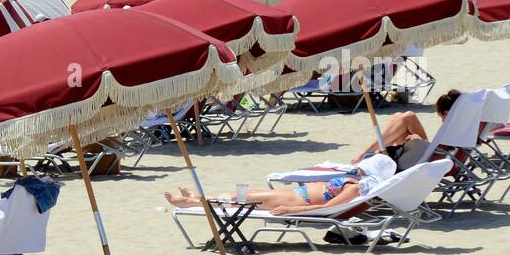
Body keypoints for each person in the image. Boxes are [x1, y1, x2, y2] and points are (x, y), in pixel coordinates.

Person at [165, 156, 395, 216]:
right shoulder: (352, 182)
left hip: (294, 201)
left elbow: (326, 208)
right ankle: (197, 199)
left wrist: (291, 211)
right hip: (293, 194)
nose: (360, 169)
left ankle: (191, 202)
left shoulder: (354, 189)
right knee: (240, 195)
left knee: (240, 198)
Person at [351, 89, 463, 168]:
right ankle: (377, 152)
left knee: (408, 117)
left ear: (446, 113)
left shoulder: (454, 125)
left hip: (430, 159)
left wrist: (417, 137)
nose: (442, 120)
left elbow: (441, 150)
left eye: (441, 116)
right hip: (433, 155)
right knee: (399, 116)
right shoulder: (463, 125)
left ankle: (369, 153)